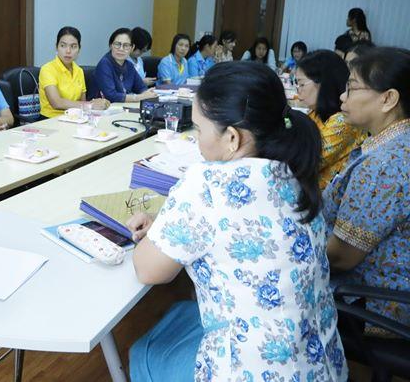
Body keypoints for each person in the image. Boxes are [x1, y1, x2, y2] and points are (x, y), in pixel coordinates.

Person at [128, 61, 347, 381]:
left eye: (199, 130)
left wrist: (160, 228)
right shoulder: (295, 171)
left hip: (251, 371)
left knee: (143, 353)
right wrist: (170, 221)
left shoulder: (206, 184)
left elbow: (148, 270)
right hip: (322, 366)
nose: (197, 140)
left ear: (232, 137)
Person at [323, 47, 410, 336]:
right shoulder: (395, 144)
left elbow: (340, 257)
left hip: (373, 305)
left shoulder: (384, 166)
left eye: (352, 88)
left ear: (388, 99)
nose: (342, 97)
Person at [296, 50, 366, 190]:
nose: (298, 90)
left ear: (323, 84)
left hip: (322, 197)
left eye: (301, 84)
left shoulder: (343, 121)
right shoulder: (316, 112)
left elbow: (304, 161)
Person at [39, 26, 109, 118]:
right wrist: (91, 104)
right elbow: (56, 103)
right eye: (63, 45)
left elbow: (82, 102)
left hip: (75, 118)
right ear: (56, 47)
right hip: (50, 119)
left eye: (73, 46)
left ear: (79, 49)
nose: (68, 51)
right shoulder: (47, 69)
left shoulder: (79, 71)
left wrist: (97, 104)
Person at [94, 28, 155, 103]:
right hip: (105, 108)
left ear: (132, 48)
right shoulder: (104, 64)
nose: (121, 49)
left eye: (126, 45)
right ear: (110, 45)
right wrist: (138, 97)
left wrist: (148, 93)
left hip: (123, 107)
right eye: (117, 44)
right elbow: (111, 96)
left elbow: (141, 87)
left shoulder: (129, 65)